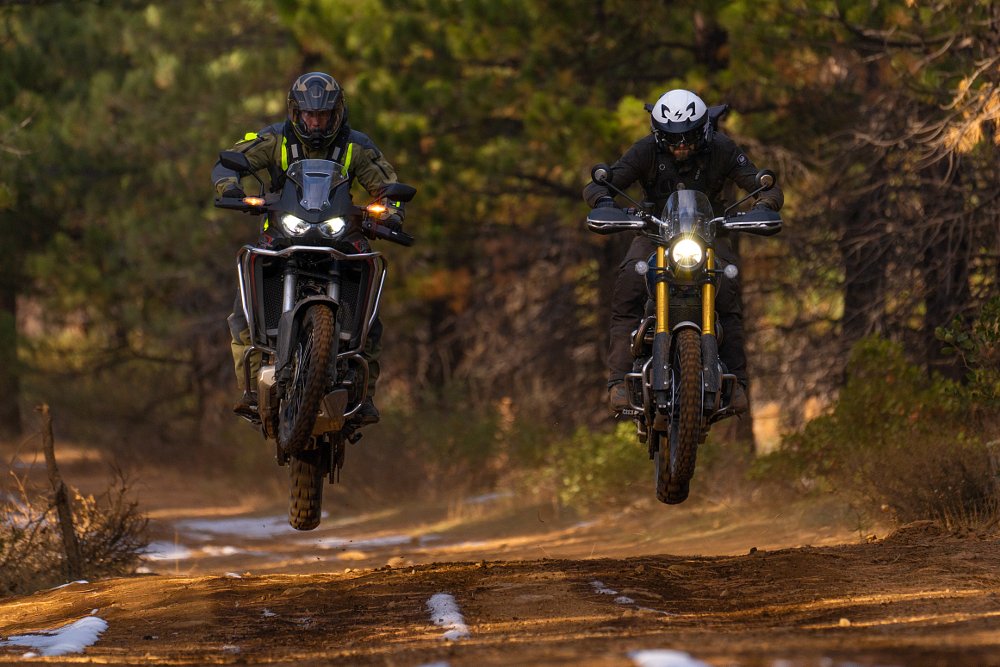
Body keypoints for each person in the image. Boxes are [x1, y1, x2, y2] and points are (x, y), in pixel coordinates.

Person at [212, 71, 404, 424]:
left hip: (339, 235)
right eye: (309, 115)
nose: (316, 122)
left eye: (323, 115)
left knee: (371, 316)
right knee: (242, 312)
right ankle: (251, 391)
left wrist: (391, 210)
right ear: (296, 112)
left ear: (337, 112)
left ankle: (365, 394)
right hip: (282, 233)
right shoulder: (274, 139)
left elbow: (386, 182)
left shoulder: (356, 145)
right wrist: (229, 188)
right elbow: (229, 161)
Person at [583, 89, 783, 415]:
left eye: (689, 138)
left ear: (704, 130)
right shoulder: (645, 150)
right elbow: (603, 182)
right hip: (654, 231)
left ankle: (738, 385)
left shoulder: (722, 148)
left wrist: (764, 203)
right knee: (629, 288)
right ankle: (619, 381)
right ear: (658, 134)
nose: (681, 146)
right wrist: (604, 201)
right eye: (672, 139)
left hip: (709, 232)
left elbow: (762, 182)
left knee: (728, 291)